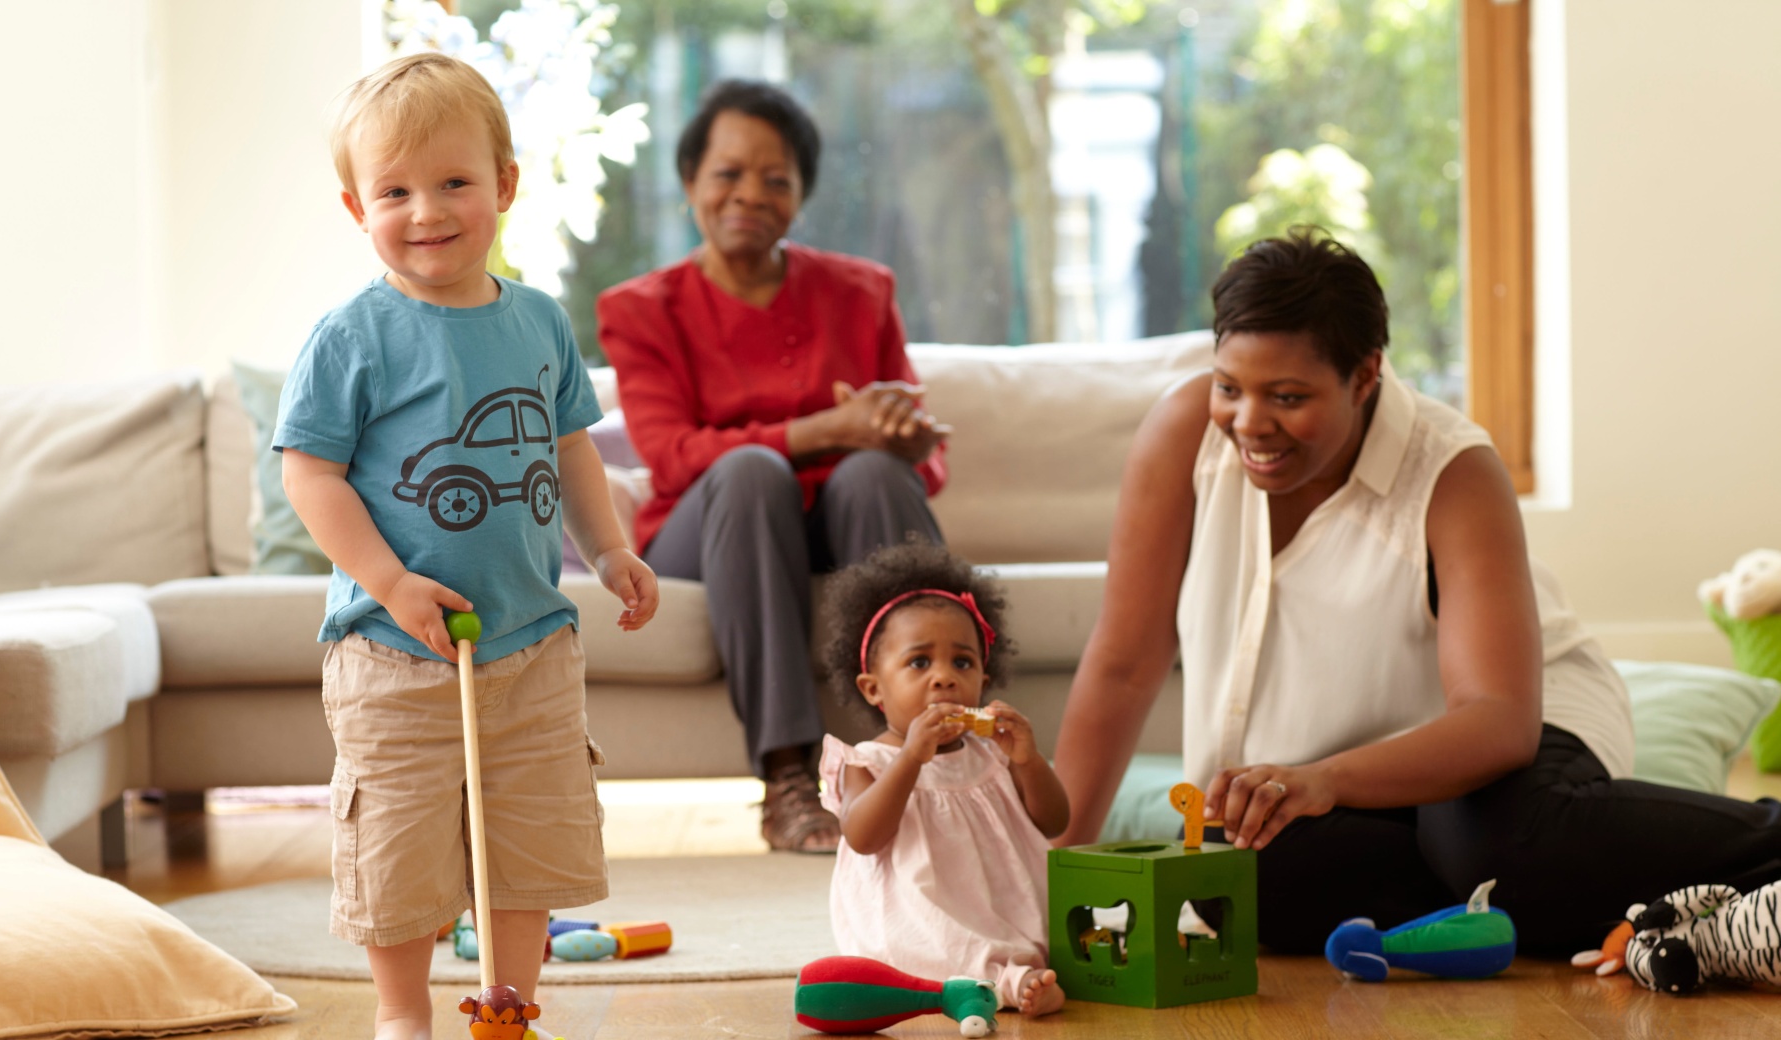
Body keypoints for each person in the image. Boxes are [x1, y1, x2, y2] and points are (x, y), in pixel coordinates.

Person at [1050, 227, 1781, 955]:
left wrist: (1326, 780)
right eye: (1228, 387)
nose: (1249, 423)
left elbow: (1498, 718)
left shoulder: (1452, 471)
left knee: (1484, 837)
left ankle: (1759, 853)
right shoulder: (1183, 435)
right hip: (1337, 776)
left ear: (1366, 376)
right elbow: (1125, 663)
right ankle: (1569, 904)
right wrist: (1045, 880)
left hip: (1512, 729)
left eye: (1288, 396)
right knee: (1243, 883)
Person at [277, 54, 659, 1040]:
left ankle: (511, 1001)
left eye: (453, 181)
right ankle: (403, 1010)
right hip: (394, 650)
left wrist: (609, 549)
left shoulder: (537, 323)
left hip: (530, 642)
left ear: (506, 186)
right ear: (356, 206)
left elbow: (569, 446)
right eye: (394, 191)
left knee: (527, 837)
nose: (426, 209)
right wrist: (391, 579)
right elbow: (309, 474)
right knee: (398, 839)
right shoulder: (351, 335)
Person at [596, 80, 949, 853]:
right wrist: (828, 426)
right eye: (728, 173)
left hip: (839, 519)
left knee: (872, 474)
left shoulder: (862, 292)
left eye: (776, 178)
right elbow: (672, 456)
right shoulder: (641, 309)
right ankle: (788, 776)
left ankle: (915, 755)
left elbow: (924, 455)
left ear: (800, 195)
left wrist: (908, 442)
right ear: (690, 183)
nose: (750, 194)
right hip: (712, 531)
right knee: (752, 472)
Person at [816, 541, 1069, 1015]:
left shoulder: (992, 755)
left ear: (983, 679)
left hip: (1000, 906)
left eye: (962, 662)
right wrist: (911, 757)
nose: (943, 678)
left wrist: (1029, 760)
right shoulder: (866, 760)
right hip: (919, 914)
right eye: (919, 662)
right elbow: (863, 835)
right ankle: (998, 985)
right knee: (930, 953)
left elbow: (1054, 821)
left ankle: (1022, 976)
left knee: (1043, 939)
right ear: (874, 688)